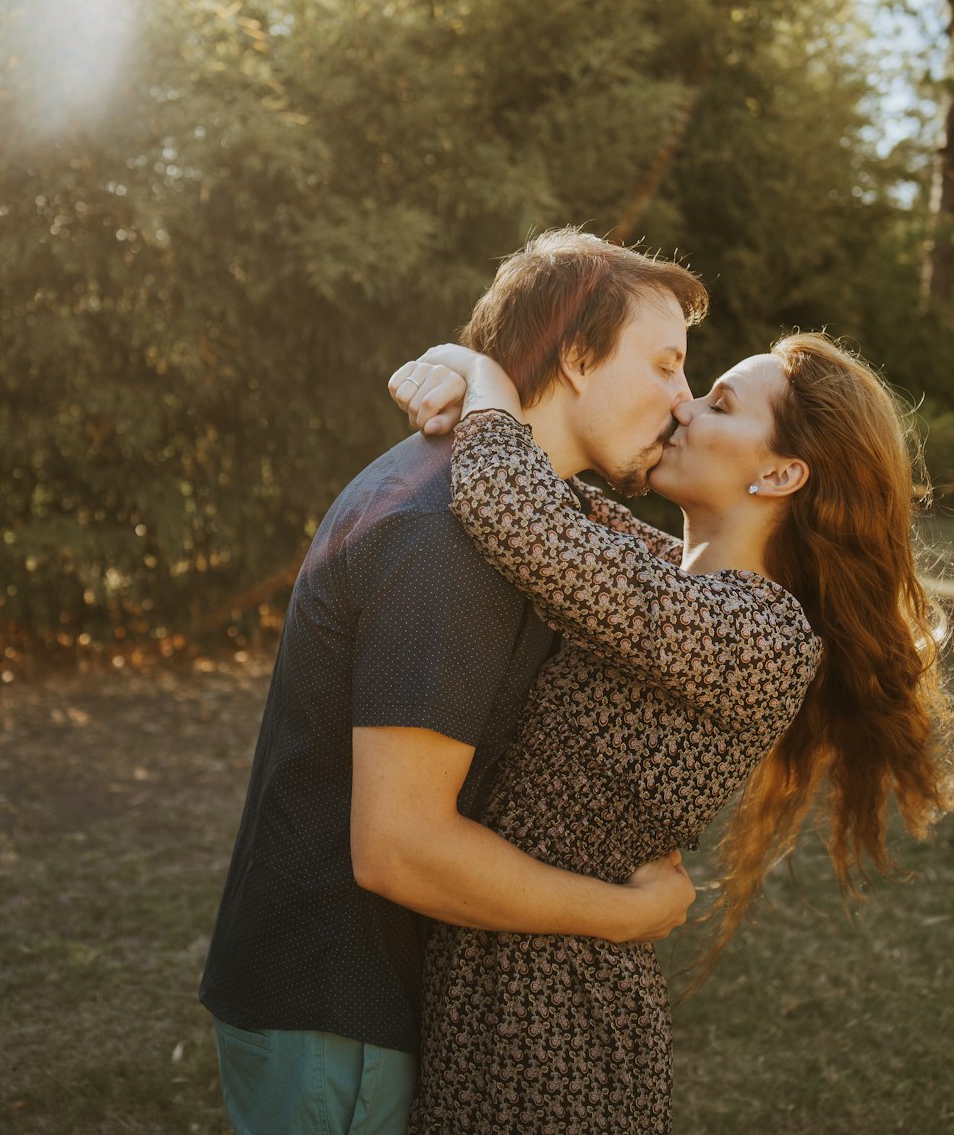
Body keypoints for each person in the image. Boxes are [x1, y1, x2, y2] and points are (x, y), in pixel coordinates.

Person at [198, 229, 709, 1135]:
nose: (685, 401)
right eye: (667, 365)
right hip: (336, 1012)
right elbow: (401, 846)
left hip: (359, 1004)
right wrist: (626, 917)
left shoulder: (512, 511)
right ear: (578, 357)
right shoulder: (445, 535)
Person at [388, 330, 951, 1134]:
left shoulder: (758, 633)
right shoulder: (666, 574)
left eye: (720, 403)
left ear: (781, 473)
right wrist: (466, 389)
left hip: (554, 1020)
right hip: (506, 967)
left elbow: (512, 508)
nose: (683, 406)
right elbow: (545, 495)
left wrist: (479, 369)